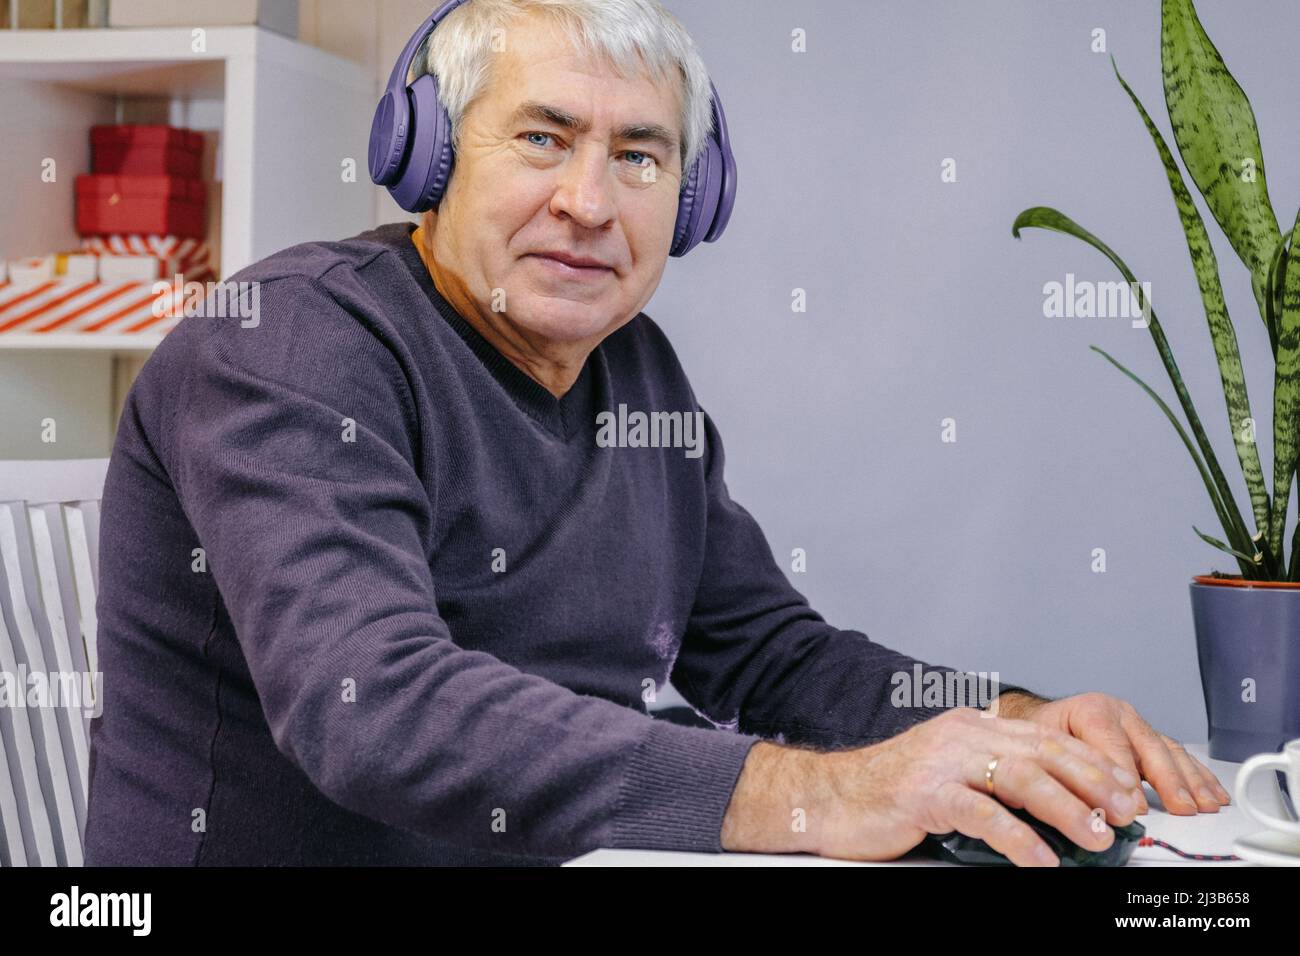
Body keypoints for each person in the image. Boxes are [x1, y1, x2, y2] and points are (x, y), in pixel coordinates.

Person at [83, 0, 1229, 868]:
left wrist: (1002, 719)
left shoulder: (634, 373)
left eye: (639, 154)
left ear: (694, 196)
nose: (590, 201)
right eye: (541, 138)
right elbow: (371, 706)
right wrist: (827, 796)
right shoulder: (291, 343)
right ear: (428, 155)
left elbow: (771, 656)